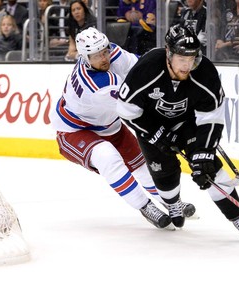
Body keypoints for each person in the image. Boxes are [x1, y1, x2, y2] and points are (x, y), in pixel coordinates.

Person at [116, 24, 239, 240]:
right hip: (150, 125)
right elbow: (126, 109)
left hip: (187, 124)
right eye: (182, 59)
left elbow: (211, 116)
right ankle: (173, 204)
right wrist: (157, 135)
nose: (188, 65)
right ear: (168, 53)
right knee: (163, 174)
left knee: (209, 167)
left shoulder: (204, 72)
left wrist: (204, 152)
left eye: (192, 58)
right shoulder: (147, 67)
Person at [50, 27, 196, 230]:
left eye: (105, 51)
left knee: (141, 163)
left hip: (109, 124)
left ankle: (170, 202)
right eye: (96, 55)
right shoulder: (96, 85)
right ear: (84, 57)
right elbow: (135, 104)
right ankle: (145, 207)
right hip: (74, 131)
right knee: (107, 156)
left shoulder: (112, 53)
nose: (104, 57)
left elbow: (143, 67)